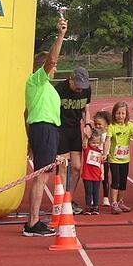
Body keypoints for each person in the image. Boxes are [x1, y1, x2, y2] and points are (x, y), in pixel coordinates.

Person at [23, 18, 66, 236]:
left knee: (43, 176)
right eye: (52, 66)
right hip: (44, 128)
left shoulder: (47, 88)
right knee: (41, 177)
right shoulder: (36, 80)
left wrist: (30, 141)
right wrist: (60, 35)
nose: (55, 68)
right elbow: (51, 60)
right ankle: (32, 222)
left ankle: (34, 220)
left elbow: (25, 114)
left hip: (47, 130)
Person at [55, 65, 91, 214]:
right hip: (60, 129)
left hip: (75, 129)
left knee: (76, 167)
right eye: (77, 85)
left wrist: (87, 124)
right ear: (70, 79)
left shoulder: (86, 89)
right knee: (62, 166)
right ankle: (60, 199)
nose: (79, 89)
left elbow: (86, 109)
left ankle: (69, 200)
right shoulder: (59, 89)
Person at [108, 101, 133, 214]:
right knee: (115, 180)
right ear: (114, 114)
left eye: (123, 113)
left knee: (123, 181)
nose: (120, 116)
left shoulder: (130, 126)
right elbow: (107, 141)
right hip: (114, 158)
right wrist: (105, 152)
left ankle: (120, 201)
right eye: (118, 113)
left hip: (125, 159)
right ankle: (114, 203)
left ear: (126, 115)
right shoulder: (112, 127)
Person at [81, 128, 105, 215]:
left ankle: (95, 206)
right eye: (93, 142)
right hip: (87, 175)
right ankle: (88, 206)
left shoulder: (99, 152)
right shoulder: (87, 149)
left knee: (96, 192)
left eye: (97, 143)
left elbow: (101, 163)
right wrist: (86, 137)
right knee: (89, 191)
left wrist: (102, 173)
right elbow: (84, 145)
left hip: (96, 175)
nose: (95, 144)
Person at [91, 111, 112, 207]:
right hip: (94, 159)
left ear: (106, 125)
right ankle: (92, 198)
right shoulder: (93, 133)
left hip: (105, 159)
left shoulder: (108, 135)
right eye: (96, 124)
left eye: (100, 124)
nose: (97, 126)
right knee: (94, 179)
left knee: (105, 178)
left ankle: (106, 197)